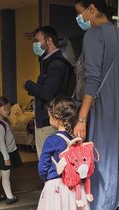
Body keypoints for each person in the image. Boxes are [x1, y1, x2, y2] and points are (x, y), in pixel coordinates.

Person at [73, 0, 119, 210]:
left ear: (92, 8)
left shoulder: (94, 35)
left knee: (98, 165)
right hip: (118, 110)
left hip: (101, 108)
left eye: (80, 12)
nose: (80, 18)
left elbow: (92, 78)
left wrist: (82, 117)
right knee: (113, 163)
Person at [35, 96, 91, 210]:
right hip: (72, 187)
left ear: (55, 118)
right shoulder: (75, 139)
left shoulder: (51, 140)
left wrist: (45, 179)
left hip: (55, 186)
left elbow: (43, 166)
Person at [23, 26, 72, 159]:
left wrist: (28, 84)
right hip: (48, 120)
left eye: (36, 41)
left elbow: (47, 93)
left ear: (48, 41)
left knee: (49, 163)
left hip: (49, 122)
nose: (34, 45)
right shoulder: (50, 63)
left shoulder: (56, 65)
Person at [0, 96, 22, 204]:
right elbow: (1, 143)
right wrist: (6, 158)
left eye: (9, 108)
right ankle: (10, 197)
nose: (8, 111)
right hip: (4, 154)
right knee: (5, 176)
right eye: (4, 109)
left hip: (0, 153)